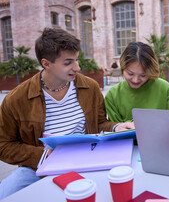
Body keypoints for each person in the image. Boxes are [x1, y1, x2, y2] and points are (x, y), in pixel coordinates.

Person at [0, 28, 120, 199]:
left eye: (77, 60)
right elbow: (3, 145)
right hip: (38, 168)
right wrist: (43, 155)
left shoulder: (90, 87)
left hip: (87, 160)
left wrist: (116, 127)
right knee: (5, 194)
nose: (77, 67)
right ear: (46, 63)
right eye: (68, 63)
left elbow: (100, 123)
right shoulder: (16, 99)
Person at [104, 42, 169, 129]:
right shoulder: (113, 95)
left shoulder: (165, 89)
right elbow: (115, 130)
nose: (135, 80)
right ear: (123, 68)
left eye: (143, 75)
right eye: (130, 74)